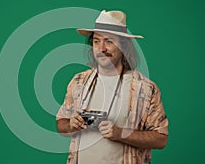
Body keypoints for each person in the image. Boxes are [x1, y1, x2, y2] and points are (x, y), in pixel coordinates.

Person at [56, 10, 168, 164]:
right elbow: (61, 122)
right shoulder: (79, 81)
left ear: (124, 47)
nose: (101, 48)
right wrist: (70, 125)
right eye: (96, 41)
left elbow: (160, 139)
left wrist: (120, 134)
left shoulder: (145, 89)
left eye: (109, 41)